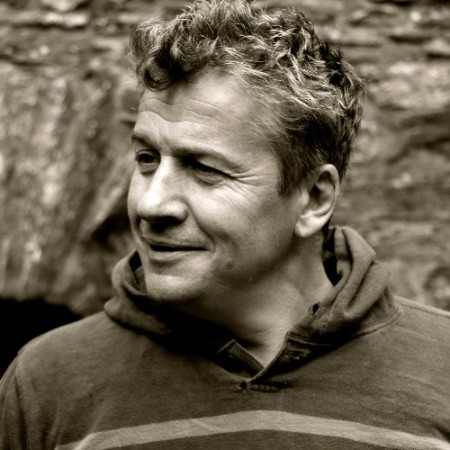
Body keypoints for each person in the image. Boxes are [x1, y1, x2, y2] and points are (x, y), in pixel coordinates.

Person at [1, 0, 449, 448]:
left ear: (314, 198)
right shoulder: (46, 386)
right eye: (147, 158)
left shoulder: (440, 372)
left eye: (204, 169)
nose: (151, 204)